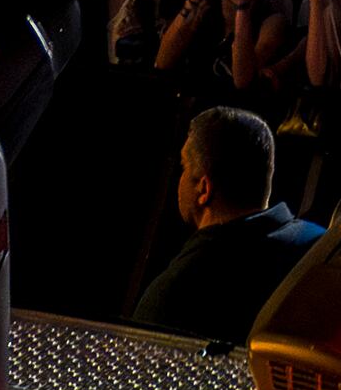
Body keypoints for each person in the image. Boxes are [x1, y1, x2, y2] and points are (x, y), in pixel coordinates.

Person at [130, 107, 323, 343]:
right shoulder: (319, 247)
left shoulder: (175, 293)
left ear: (204, 189)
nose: (179, 179)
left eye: (183, 166)